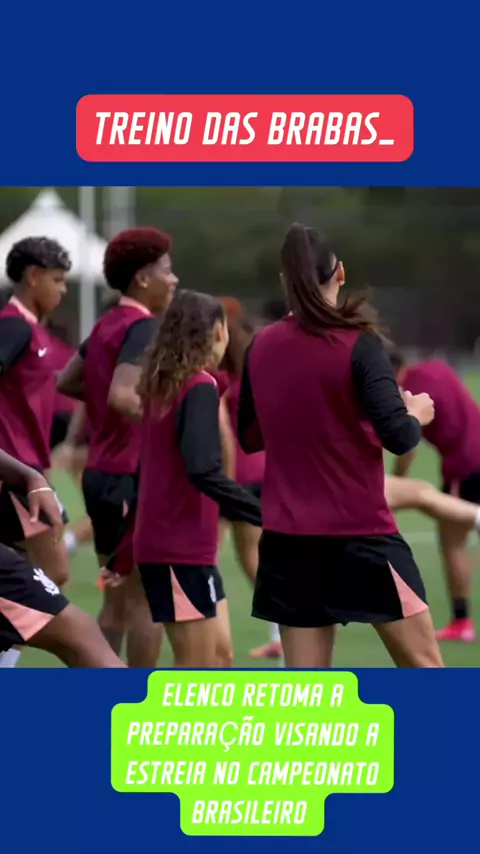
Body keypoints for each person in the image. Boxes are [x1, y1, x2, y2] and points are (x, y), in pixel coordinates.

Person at [238, 222, 442, 669]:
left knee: (308, 694)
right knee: (427, 674)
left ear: (285, 281)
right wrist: (415, 411)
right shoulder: (360, 344)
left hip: (289, 544)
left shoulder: (261, 346)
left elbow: (249, 437)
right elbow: (400, 436)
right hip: (360, 536)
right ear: (341, 273)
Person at [57, 227, 177, 667]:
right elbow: (122, 396)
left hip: (101, 474)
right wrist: (177, 425)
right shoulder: (144, 327)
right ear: (143, 278)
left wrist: (103, 408)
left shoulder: (107, 323)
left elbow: (67, 381)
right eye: (167, 270)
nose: (174, 279)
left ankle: (101, 691)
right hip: (131, 475)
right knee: (145, 601)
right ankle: (138, 696)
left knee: (117, 599)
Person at [135, 289, 262, 668]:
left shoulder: (165, 385)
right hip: (179, 547)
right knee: (197, 671)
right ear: (218, 331)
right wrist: (264, 513)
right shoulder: (197, 385)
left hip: (182, 545)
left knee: (220, 657)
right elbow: (202, 468)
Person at [0, 448, 125, 668]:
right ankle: (141, 694)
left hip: (26, 466)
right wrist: (31, 476)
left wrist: (33, 477)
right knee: (79, 633)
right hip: (22, 461)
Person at [390, 348, 480, 642]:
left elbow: (408, 445)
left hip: (466, 467)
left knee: (452, 542)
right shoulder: (436, 368)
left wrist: (397, 483)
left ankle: (462, 621)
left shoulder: (409, 394)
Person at [0, 237, 71, 588]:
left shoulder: (34, 329)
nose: (63, 289)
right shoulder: (14, 326)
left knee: (34, 576)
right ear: (32, 276)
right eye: (57, 279)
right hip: (14, 472)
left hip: (30, 470)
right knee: (52, 575)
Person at [219, 308, 282, 660]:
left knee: (249, 557)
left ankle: (281, 630)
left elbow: (225, 437)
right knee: (261, 555)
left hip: (237, 478)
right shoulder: (259, 376)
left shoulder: (223, 382)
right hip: (265, 472)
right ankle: (280, 631)